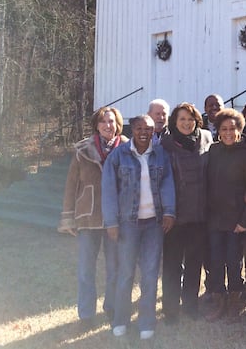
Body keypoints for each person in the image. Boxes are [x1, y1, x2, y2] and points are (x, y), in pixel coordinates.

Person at [102, 115, 176, 340]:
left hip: (153, 224)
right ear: (132, 129)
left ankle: (146, 322)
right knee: (125, 273)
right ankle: (120, 319)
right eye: (139, 128)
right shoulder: (118, 155)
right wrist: (112, 222)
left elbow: (167, 183)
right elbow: (108, 190)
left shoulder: (161, 154)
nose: (144, 132)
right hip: (127, 224)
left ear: (155, 131)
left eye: (149, 129)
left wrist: (170, 212)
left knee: (150, 274)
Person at [58, 106, 127, 331]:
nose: (109, 126)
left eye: (112, 121)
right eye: (103, 122)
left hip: (116, 219)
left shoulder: (127, 148)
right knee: (86, 268)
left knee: (115, 266)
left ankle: (112, 307)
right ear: (96, 125)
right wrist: (68, 217)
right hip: (88, 217)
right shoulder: (82, 150)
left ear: (118, 124)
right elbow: (71, 185)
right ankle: (86, 314)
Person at [205, 108, 246, 321]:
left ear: (239, 130)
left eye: (232, 129)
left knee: (233, 261)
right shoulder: (213, 151)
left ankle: (234, 303)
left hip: (236, 221)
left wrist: (245, 221)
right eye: (224, 129)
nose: (228, 133)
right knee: (215, 261)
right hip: (214, 220)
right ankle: (219, 301)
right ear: (218, 131)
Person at [161, 103, 213, 323]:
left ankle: (190, 305)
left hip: (200, 215)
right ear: (174, 121)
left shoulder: (207, 139)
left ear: (197, 120)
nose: (186, 122)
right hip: (175, 216)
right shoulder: (165, 144)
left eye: (190, 118)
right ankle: (170, 310)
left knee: (194, 263)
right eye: (181, 118)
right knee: (172, 265)